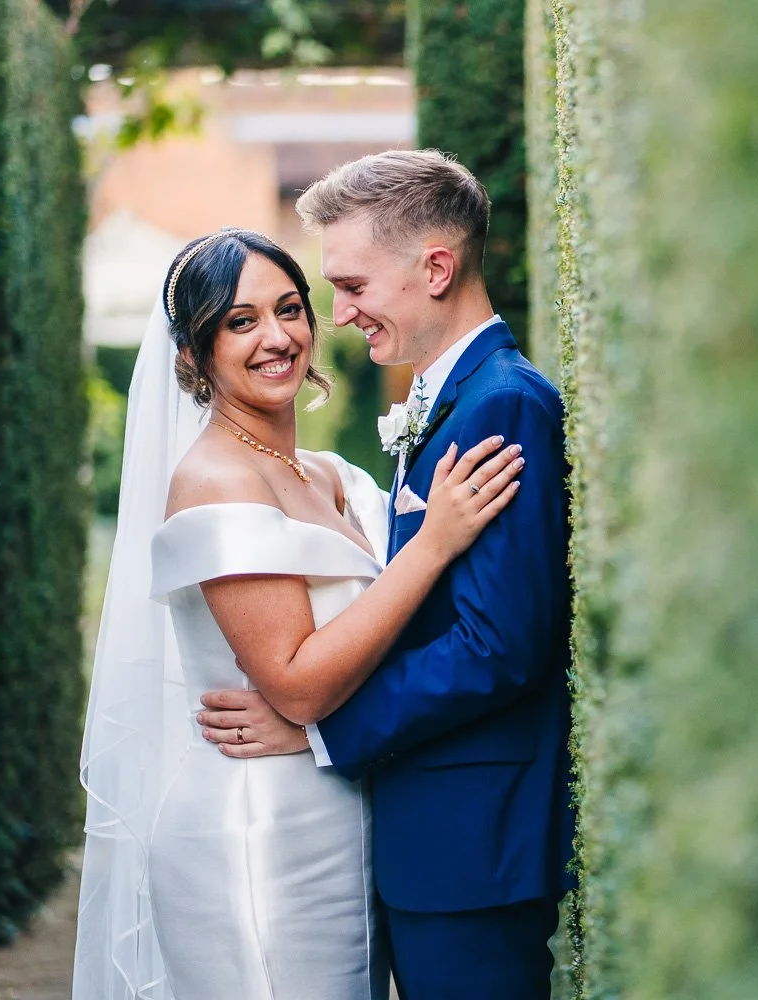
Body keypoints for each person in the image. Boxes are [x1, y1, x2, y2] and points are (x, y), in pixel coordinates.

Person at [72, 227, 523, 1000]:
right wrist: (433, 544)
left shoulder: (330, 475)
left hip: (343, 808)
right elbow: (300, 686)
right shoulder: (214, 481)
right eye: (239, 322)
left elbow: (398, 631)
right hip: (256, 829)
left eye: (289, 309)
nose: (277, 337)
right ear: (192, 356)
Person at [196, 150, 576, 998]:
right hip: (435, 835)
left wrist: (321, 730)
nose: (341, 313)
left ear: (435, 268)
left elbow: (498, 646)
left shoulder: (501, 403)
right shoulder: (450, 397)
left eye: (355, 285)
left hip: (475, 843)